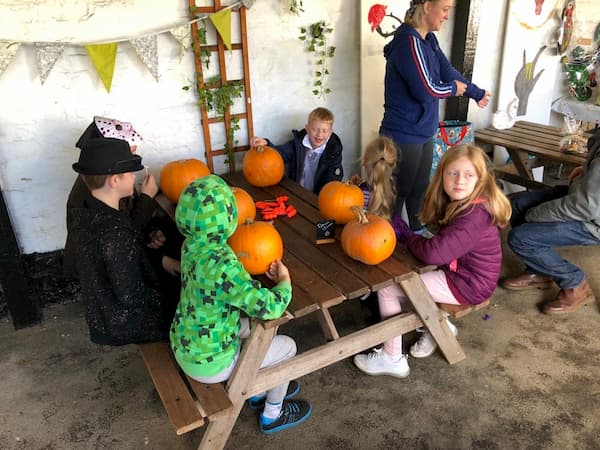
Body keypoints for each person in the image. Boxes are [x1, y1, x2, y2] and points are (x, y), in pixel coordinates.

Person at [170, 175, 312, 434]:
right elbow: (269, 307)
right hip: (211, 363)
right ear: (228, 216)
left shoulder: (191, 245)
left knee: (255, 330)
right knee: (286, 346)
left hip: (188, 344)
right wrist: (284, 281)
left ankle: (257, 391)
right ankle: (273, 413)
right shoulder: (223, 264)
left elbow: (224, 288)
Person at [354, 144, 511, 377]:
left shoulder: (473, 216)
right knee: (409, 283)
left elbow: (433, 254)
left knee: (389, 289)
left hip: (468, 284)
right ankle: (439, 326)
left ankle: (391, 356)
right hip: (462, 273)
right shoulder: (469, 203)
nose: (459, 181)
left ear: (480, 179)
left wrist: (409, 236)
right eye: (453, 173)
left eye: (469, 175)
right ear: (442, 174)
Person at [379, 0, 491, 232]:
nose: (447, 16)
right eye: (445, 9)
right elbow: (425, 90)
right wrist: (453, 90)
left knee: (419, 186)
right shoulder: (409, 43)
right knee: (400, 189)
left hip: (423, 129)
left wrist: (475, 93)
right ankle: (391, 234)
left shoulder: (428, 41)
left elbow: (446, 72)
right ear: (427, 7)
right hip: (402, 132)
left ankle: (417, 230)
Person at [69, 138, 175, 345]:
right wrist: (172, 299)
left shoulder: (85, 213)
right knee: (192, 305)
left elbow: (121, 257)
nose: (134, 177)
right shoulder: (114, 232)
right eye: (129, 173)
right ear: (115, 180)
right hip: (123, 324)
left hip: (102, 315)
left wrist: (162, 261)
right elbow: (132, 297)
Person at [64, 116, 181, 286]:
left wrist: (150, 233)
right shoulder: (91, 202)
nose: (132, 169)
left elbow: (128, 222)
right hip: (111, 273)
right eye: (129, 155)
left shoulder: (103, 181)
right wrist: (147, 197)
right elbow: (124, 234)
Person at [502, 128, 600, 314]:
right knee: (517, 204)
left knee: (521, 237)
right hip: (587, 199)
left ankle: (576, 285)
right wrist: (586, 170)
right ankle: (539, 269)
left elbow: (584, 206)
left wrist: (535, 215)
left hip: (593, 220)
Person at [250, 107, 343, 194]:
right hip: (296, 192)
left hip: (318, 197)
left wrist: (324, 197)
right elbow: (280, 153)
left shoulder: (333, 151)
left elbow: (332, 179)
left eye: (324, 131)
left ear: (330, 132)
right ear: (307, 128)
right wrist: (266, 144)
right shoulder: (298, 144)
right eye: (315, 129)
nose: (319, 134)